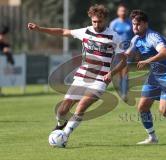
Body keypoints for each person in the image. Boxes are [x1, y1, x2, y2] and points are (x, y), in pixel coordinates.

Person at [28, 4, 126, 147]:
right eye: (94, 21)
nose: (96, 24)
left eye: (99, 21)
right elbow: (62, 31)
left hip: (100, 79)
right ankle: (60, 125)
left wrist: (112, 73)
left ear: (105, 19)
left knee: (81, 106)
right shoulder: (85, 31)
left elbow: (124, 61)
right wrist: (39, 29)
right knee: (62, 111)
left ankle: (64, 136)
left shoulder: (114, 36)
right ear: (91, 20)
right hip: (82, 77)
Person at [125, 10, 166, 145]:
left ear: (145, 24)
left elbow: (165, 52)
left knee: (164, 111)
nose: (135, 27)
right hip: (155, 75)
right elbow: (127, 55)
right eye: (133, 24)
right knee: (142, 107)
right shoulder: (136, 38)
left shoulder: (153, 37)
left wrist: (148, 61)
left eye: (138, 24)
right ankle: (152, 138)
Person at [109, 4, 134, 102]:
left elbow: (134, 37)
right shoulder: (114, 23)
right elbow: (110, 37)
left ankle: (124, 93)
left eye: (124, 11)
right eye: (121, 11)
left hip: (128, 51)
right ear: (118, 12)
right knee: (118, 73)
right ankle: (121, 90)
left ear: (126, 12)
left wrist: (134, 49)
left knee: (125, 72)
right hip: (117, 51)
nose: (123, 12)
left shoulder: (130, 23)